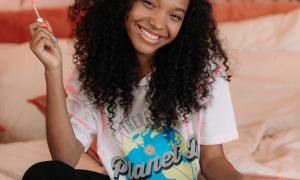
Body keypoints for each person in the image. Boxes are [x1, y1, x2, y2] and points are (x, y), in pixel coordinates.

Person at [23, 0, 287, 179]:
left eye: (174, 15)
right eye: (149, 2)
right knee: (44, 174)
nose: (158, 23)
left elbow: (213, 159)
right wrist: (52, 70)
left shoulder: (203, 70)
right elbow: (64, 157)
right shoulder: (95, 73)